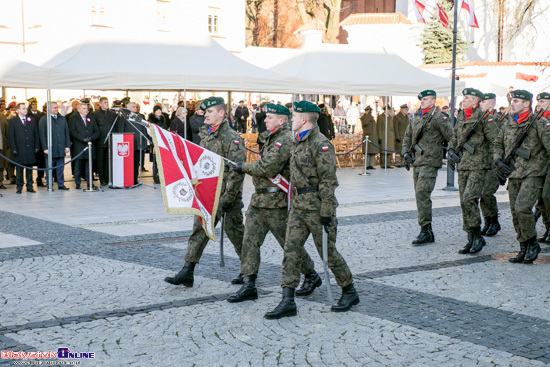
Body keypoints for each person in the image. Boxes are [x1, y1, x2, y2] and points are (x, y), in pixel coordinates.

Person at [264, 101, 359, 320]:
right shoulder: (297, 141)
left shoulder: (320, 143)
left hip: (317, 206)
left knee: (327, 252)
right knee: (291, 250)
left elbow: (328, 180)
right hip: (298, 205)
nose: (292, 120)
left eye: (295, 117)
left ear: (304, 119)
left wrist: (326, 210)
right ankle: (287, 300)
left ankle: (349, 290)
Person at [227, 103, 320, 303]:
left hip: (276, 202)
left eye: (269, 117)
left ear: (282, 120)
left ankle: (311, 275)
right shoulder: (270, 138)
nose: (265, 120)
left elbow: (268, 167)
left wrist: (242, 167)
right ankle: (249, 284)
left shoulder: (285, 139)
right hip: (259, 200)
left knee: (288, 245)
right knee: (249, 242)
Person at [164, 97, 245, 287]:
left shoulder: (231, 138)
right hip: (208, 193)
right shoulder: (207, 134)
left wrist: (229, 198)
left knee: (236, 233)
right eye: (205, 112)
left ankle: (249, 270)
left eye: (209, 112)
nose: (205, 115)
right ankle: (187, 270)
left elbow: (237, 171)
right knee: (199, 229)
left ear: (221, 114)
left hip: (226, 195)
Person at [494, 90, 550, 264]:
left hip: (533, 173)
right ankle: (523, 246)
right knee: (514, 212)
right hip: (514, 173)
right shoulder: (509, 123)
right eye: (512, 100)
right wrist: (498, 160)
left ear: (527, 104)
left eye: (516, 101)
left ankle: (532, 243)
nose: (512, 103)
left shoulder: (540, 123)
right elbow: (497, 143)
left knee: (522, 208)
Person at [447, 88, 499, 254]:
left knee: (470, 198)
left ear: (476, 101)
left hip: (479, 165)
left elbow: (496, 142)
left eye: (467, 97)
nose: (464, 99)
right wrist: (451, 151)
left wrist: (495, 163)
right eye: (464, 97)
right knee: (464, 201)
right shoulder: (462, 115)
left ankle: (477, 236)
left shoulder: (485, 118)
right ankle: (471, 236)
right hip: (463, 165)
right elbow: (455, 137)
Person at [402, 90, 453, 245]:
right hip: (417, 161)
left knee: (422, 192)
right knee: (419, 195)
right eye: (421, 99)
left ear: (433, 101)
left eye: (426, 99)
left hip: (430, 161)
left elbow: (451, 136)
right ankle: (427, 230)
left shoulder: (438, 118)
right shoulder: (416, 117)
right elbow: (407, 137)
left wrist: (451, 152)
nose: (422, 101)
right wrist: (405, 153)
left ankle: (425, 230)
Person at [478, 93, 502, 237]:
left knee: (487, 192)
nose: (481, 104)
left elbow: (498, 141)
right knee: (482, 194)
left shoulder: (497, 120)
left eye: (484, 102)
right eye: (480, 102)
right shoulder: (479, 119)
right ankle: (487, 221)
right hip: (481, 163)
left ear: (491, 104)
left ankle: (494, 220)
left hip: (493, 163)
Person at [8, 103, 39, 193]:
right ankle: (19, 186)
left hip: (30, 149)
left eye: (26, 108)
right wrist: (13, 148)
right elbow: (11, 136)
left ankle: (29, 186)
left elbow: (35, 134)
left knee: (29, 169)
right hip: (19, 149)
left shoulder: (31, 120)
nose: (26, 110)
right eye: (23, 108)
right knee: (19, 170)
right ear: (18, 110)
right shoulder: (12, 121)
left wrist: (36, 146)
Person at [39, 102, 70, 190]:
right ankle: (49, 185)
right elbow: (42, 135)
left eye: (57, 107)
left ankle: (61, 184)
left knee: (60, 167)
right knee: (50, 168)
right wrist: (45, 147)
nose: (56, 109)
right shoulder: (44, 119)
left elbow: (66, 132)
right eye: (54, 107)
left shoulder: (62, 119)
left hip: (60, 147)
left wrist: (67, 145)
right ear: (49, 108)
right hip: (50, 148)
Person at [532, 93, 550, 242]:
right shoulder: (536, 120)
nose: (539, 104)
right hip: (538, 164)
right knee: (541, 198)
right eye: (538, 101)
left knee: (547, 196)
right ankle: (548, 227)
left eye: (542, 101)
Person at [70, 103, 99, 189]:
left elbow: (97, 131)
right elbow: (72, 131)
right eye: (84, 108)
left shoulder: (91, 117)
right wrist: (82, 139)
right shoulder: (74, 118)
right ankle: (77, 183)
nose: (86, 110)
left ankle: (90, 183)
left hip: (90, 145)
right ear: (78, 109)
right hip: (79, 145)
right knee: (78, 165)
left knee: (89, 165)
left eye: (87, 108)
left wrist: (91, 138)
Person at [119, 102, 148, 185]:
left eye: (136, 107)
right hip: (128, 143)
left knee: (136, 163)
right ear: (128, 108)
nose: (135, 108)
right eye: (133, 107)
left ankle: (135, 179)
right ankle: (128, 179)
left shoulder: (140, 116)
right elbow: (121, 130)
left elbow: (143, 129)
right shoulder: (124, 117)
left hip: (138, 143)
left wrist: (144, 142)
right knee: (128, 163)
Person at [93, 97, 118, 187]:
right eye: (104, 102)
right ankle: (102, 179)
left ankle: (108, 178)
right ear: (100, 104)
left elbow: (116, 126)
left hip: (111, 141)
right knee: (101, 161)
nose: (106, 104)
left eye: (107, 102)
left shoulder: (113, 114)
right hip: (100, 141)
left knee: (109, 161)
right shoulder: (95, 114)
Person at [28, 98, 46, 186]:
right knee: (29, 162)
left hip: (39, 141)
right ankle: (29, 180)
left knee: (41, 162)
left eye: (35, 104)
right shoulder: (27, 115)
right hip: (30, 141)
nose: (34, 106)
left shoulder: (41, 114)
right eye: (32, 104)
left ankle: (40, 178)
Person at [149, 105, 169, 183]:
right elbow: (150, 132)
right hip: (155, 142)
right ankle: (155, 176)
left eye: (160, 110)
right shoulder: (151, 120)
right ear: (154, 112)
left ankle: (162, 176)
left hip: (162, 141)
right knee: (155, 160)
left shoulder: (163, 119)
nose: (159, 111)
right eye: (157, 110)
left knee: (162, 160)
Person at [0, 109, 9, 189]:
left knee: (1, 165)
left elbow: (7, 130)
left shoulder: (3, 117)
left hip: (2, 145)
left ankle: (0, 182)